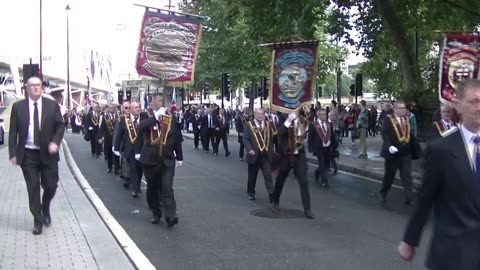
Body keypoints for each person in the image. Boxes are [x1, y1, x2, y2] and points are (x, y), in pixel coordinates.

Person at [397, 79, 480, 270]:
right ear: (457, 106)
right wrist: (410, 240)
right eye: (473, 101)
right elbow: (425, 196)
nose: (479, 107)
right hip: (454, 254)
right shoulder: (441, 149)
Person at [8, 76, 65, 235]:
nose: (35, 88)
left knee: (51, 185)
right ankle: (38, 221)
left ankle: (45, 206)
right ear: (27, 88)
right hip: (28, 155)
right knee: (33, 189)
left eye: (38, 85)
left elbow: (60, 126)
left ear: (42, 88)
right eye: (32, 85)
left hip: (48, 153)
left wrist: (55, 142)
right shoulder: (18, 107)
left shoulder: (52, 105)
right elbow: (13, 133)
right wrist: (13, 153)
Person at [136, 92, 183, 228]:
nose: (160, 103)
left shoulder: (169, 117)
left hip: (167, 159)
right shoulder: (146, 115)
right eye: (158, 101)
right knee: (152, 188)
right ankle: (156, 212)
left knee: (167, 188)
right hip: (150, 159)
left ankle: (171, 216)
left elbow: (176, 137)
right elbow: (141, 127)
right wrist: (156, 117)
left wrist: (179, 156)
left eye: (162, 101)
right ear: (152, 102)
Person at [272, 111, 314, 219]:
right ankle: (275, 201)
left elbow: (304, 132)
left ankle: (307, 209)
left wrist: (302, 129)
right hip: (286, 155)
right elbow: (280, 133)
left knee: (304, 181)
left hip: (299, 155)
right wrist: (289, 120)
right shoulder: (281, 118)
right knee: (280, 180)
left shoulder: (301, 118)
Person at [377, 100, 417, 205]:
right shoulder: (389, 119)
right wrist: (389, 146)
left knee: (406, 176)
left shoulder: (407, 119)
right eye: (400, 108)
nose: (403, 110)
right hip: (393, 154)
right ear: (394, 109)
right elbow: (384, 133)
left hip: (405, 153)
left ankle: (409, 197)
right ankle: (383, 192)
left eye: (404, 108)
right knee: (389, 176)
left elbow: (410, 135)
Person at [243, 108, 275, 201]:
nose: (260, 115)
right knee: (252, 175)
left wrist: (271, 150)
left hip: (265, 155)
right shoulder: (249, 125)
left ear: (264, 115)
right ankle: (251, 192)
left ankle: (271, 194)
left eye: (262, 114)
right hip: (254, 155)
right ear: (254, 115)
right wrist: (249, 149)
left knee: (268, 175)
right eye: (258, 114)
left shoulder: (268, 125)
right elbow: (245, 138)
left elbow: (272, 139)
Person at [114, 102, 143, 197]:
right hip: (130, 149)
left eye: (139, 107)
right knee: (133, 168)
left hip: (141, 149)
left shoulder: (144, 118)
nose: (138, 109)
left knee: (139, 169)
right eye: (136, 107)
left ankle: (137, 185)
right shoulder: (124, 120)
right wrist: (116, 148)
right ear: (130, 110)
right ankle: (135, 189)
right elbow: (119, 134)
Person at [308, 109, 338, 187]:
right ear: (319, 115)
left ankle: (317, 172)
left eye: (325, 114)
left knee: (326, 165)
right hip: (318, 148)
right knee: (322, 163)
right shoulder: (313, 125)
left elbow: (332, 136)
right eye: (323, 114)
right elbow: (310, 137)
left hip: (327, 147)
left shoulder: (328, 124)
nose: (325, 116)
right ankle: (324, 180)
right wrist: (310, 148)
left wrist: (335, 145)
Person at [98, 103, 119, 174]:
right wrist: (100, 137)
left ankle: (116, 168)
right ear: (108, 109)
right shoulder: (105, 117)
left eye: (113, 107)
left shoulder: (118, 116)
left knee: (116, 154)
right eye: (110, 107)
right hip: (108, 138)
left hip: (116, 139)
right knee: (109, 154)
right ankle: (109, 167)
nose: (112, 109)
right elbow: (102, 128)